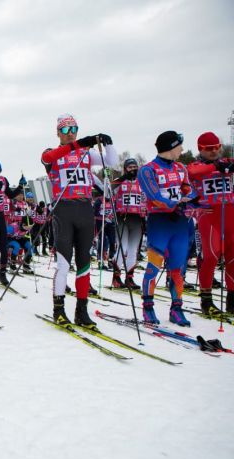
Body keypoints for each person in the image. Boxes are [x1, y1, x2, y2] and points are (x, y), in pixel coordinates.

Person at [40, 114, 116, 326]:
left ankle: (81, 311)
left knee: (84, 263)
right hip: (63, 209)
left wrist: (108, 142)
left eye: (73, 128)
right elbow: (47, 159)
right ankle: (59, 310)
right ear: (57, 133)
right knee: (64, 264)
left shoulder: (86, 154)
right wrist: (78, 144)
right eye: (65, 130)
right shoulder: (51, 153)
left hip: (84, 208)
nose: (70, 132)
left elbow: (111, 162)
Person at [138, 131, 195, 327]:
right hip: (160, 222)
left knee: (178, 269)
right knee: (154, 266)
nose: (182, 149)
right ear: (171, 147)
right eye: (179, 145)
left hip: (179, 223)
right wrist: (175, 204)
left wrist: (194, 201)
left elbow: (190, 191)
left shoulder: (181, 168)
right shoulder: (148, 169)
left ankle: (176, 309)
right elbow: (153, 196)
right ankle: (148, 307)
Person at [186, 131, 234, 315]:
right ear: (200, 149)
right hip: (209, 215)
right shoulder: (196, 164)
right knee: (212, 255)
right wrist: (216, 165)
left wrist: (227, 165)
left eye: (217, 148)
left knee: (232, 256)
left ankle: (232, 299)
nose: (214, 151)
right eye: (209, 149)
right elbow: (192, 172)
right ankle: (206, 300)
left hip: (229, 213)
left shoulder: (226, 162)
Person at [110, 158, 145, 289]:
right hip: (122, 218)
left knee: (133, 250)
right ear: (125, 169)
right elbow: (108, 190)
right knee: (122, 247)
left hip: (137, 219)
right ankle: (116, 277)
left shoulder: (142, 183)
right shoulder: (120, 181)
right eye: (130, 167)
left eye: (135, 167)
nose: (133, 169)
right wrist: (123, 177)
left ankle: (129, 278)